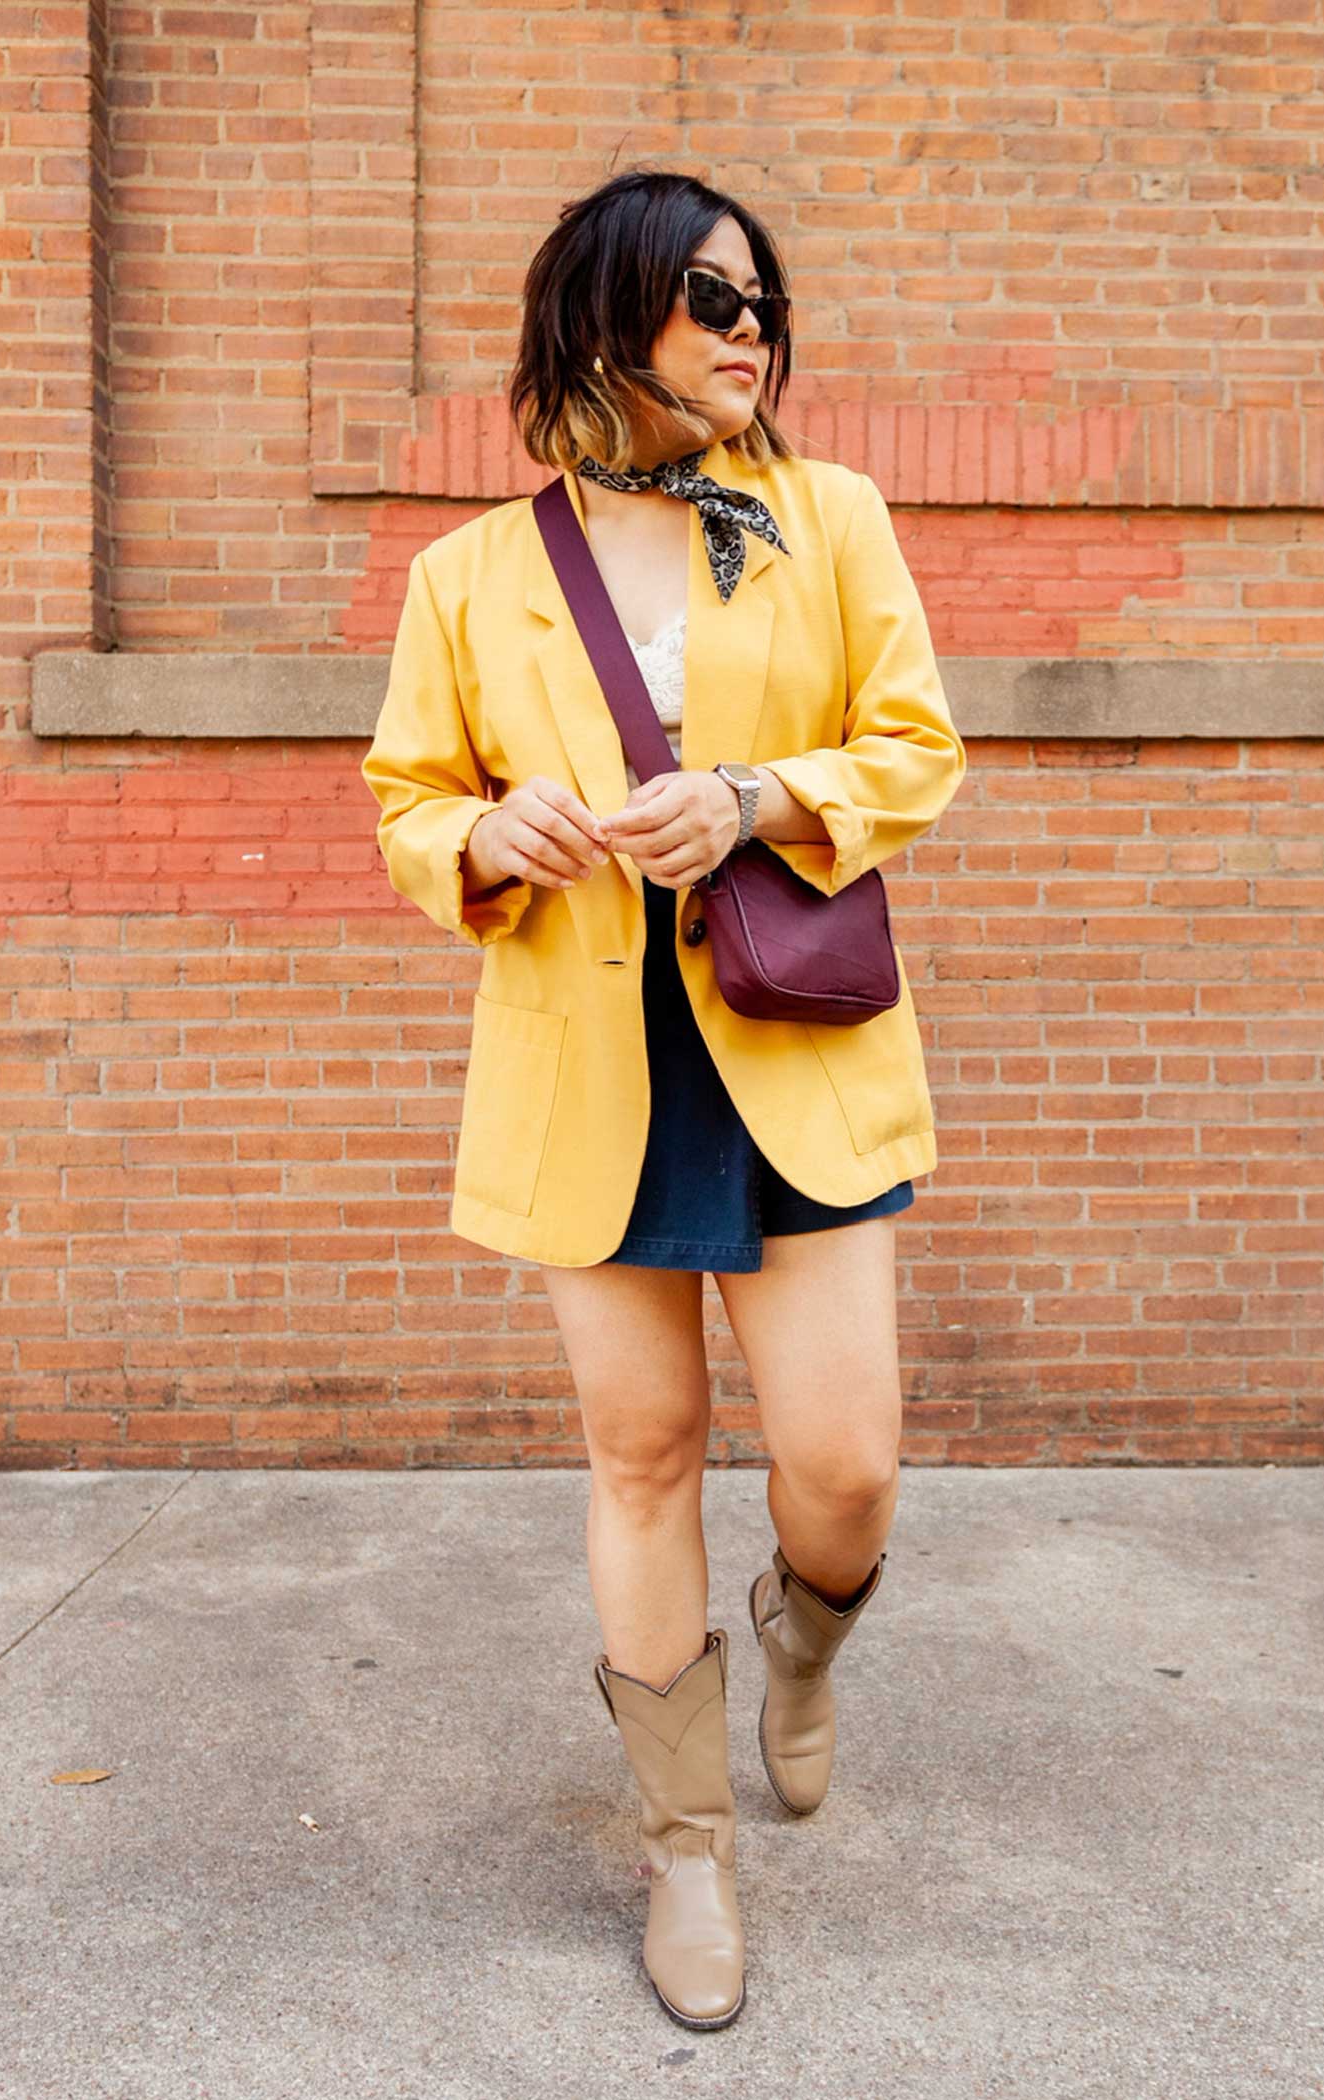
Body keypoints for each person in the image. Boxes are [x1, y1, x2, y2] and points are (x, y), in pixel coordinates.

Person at [361, 168, 967, 2032]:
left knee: (844, 1466)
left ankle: (805, 1637)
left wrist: (753, 798)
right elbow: (408, 798)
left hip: (793, 1042)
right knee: (640, 1454)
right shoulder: (471, 574)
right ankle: (684, 1847)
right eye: (710, 298)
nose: (748, 329)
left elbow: (914, 746)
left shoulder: (827, 516)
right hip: (591, 1061)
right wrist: (486, 836)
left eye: (761, 300)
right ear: (606, 311)